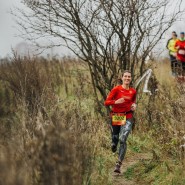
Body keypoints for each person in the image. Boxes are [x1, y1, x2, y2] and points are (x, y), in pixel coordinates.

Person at [104, 70, 137, 173]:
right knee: (116, 138)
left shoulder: (133, 91)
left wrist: (134, 105)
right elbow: (106, 102)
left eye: (129, 77)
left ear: (131, 78)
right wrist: (115, 102)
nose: (127, 78)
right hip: (117, 116)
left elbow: (133, 101)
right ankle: (114, 143)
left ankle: (118, 164)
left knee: (123, 139)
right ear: (122, 78)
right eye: (125, 76)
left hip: (128, 116)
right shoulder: (116, 89)